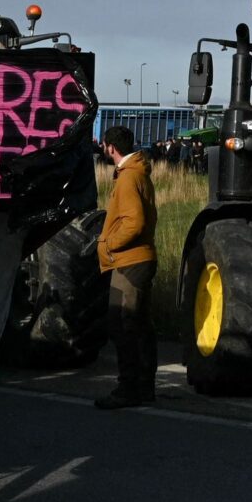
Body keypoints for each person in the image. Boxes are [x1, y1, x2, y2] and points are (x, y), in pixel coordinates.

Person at [96, 125, 158, 409]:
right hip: (139, 258)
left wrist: (109, 245)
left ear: (110, 147)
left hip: (129, 260)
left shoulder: (128, 178)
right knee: (139, 324)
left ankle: (128, 388)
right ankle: (144, 386)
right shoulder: (137, 173)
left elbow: (134, 221)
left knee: (122, 324)